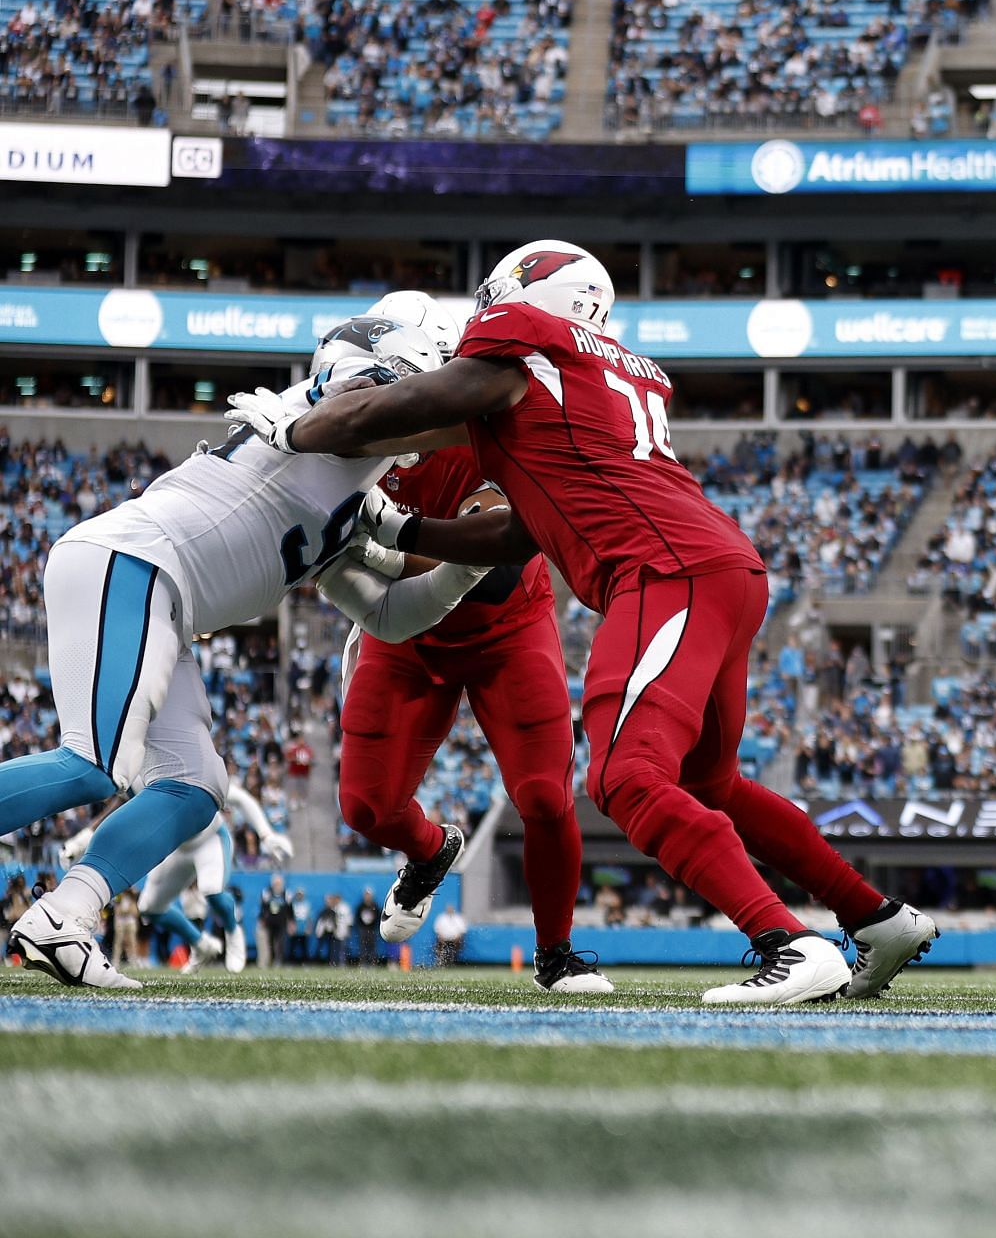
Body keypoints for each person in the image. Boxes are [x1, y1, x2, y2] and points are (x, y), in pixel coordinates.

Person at [226, 239, 939, 1006]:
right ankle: (875, 915)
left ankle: (785, 942)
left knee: (623, 778)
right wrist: (402, 531)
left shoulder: (522, 351)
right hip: (722, 566)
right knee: (709, 779)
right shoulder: (602, 371)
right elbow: (515, 534)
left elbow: (404, 407)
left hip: (664, 573)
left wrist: (297, 431)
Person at [0, 304, 495, 990]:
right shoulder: (344, 409)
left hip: (164, 601)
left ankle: (63, 916)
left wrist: (461, 572)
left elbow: (384, 614)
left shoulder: (357, 488)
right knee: (96, 763)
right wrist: (496, 411)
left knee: (194, 783)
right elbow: (365, 403)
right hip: (131, 563)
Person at [325, 298, 609, 993]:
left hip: (504, 629)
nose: (373, 399)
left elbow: (496, 564)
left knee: (544, 795)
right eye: (363, 382)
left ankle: (556, 953)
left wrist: (388, 545)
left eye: (390, 380)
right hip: (406, 640)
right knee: (366, 807)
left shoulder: (489, 423)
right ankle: (431, 851)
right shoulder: (333, 433)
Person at [136, 785, 292, 974]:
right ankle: (201, 944)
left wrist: (266, 835)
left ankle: (233, 932)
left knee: (212, 890)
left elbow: (241, 799)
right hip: (176, 849)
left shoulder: (194, 773)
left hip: (209, 840)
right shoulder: (145, 778)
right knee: (149, 907)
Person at [354, 888, 381, 967]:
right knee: (362, 947)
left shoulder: (375, 906)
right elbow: (357, 918)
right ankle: (363, 962)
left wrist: (375, 928)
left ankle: (373, 962)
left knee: (372, 947)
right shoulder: (360, 906)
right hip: (363, 929)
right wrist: (360, 928)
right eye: (366, 895)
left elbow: (378, 918)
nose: (367, 897)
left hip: (372, 929)